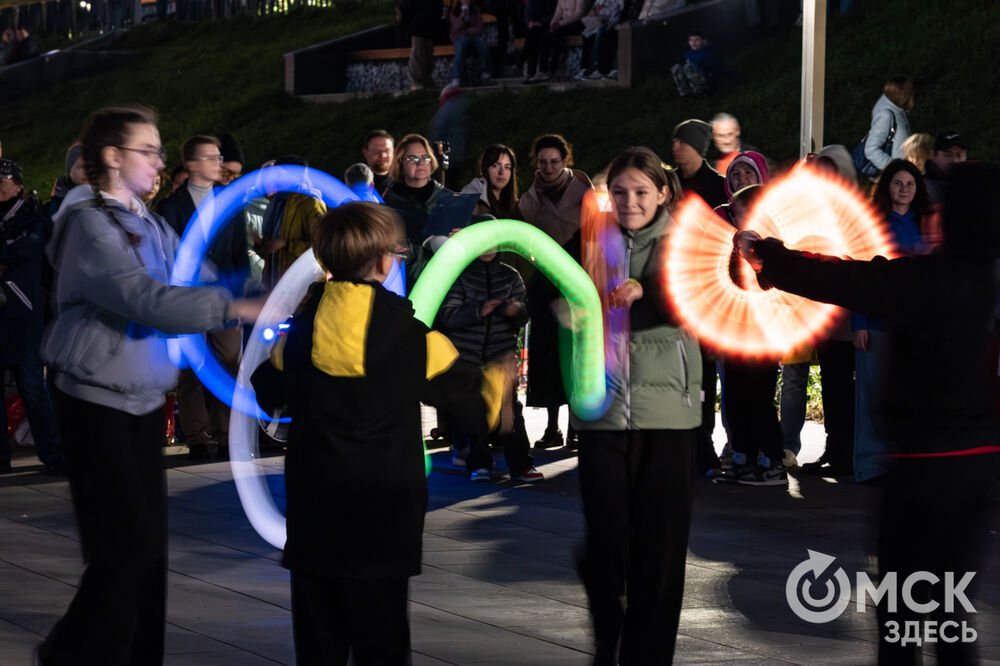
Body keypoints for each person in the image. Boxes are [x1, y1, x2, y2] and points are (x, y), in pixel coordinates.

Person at [734, 162, 1000, 665]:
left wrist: (770, 258)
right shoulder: (986, 277)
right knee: (952, 613)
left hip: (923, 466)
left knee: (901, 616)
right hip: (977, 466)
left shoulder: (927, 280)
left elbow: (848, 279)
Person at [34, 106, 261, 665]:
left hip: (141, 397)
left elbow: (191, 275)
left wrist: (265, 293)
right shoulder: (89, 223)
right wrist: (231, 304)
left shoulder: (151, 221)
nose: (163, 162)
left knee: (148, 552)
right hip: (95, 399)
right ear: (113, 157)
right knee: (123, 551)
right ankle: (67, 653)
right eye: (150, 150)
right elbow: (145, 299)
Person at [250, 201, 500, 665]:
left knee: (318, 642)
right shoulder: (410, 335)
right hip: (384, 516)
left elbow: (267, 389)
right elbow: (470, 401)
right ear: (384, 261)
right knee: (381, 642)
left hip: (315, 512)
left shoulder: (299, 333)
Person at [575, 147, 702, 665]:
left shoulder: (685, 243)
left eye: (641, 192)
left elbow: (685, 298)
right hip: (602, 412)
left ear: (663, 193)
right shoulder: (591, 239)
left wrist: (641, 293)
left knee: (660, 553)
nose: (629, 202)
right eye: (620, 192)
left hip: (668, 415)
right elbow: (549, 285)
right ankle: (609, 641)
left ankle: (648, 657)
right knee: (605, 546)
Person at [158, 134, 250, 460]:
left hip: (224, 298)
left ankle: (227, 436)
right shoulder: (170, 207)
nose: (219, 164)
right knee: (190, 369)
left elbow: (240, 253)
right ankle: (196, 436)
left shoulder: (230, 203)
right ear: (192, 163)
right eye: (211, 158)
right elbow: (167, 258)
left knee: (228, 365)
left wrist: (238, 294)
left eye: (219, 157)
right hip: (186, 301)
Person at [435, 230, 542, 482]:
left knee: (510, 414)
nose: (488, 247)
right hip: (467, 355)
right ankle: (479, 463)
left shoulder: (510, 275)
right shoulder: (458, 275)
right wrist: (478, 310)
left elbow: (525, 313)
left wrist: (515, 310)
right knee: (473, 412)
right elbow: (448, 315)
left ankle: (521, 464)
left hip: (501, 355)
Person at [851, 159, 930, 484]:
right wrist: (859, 322)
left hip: (912, 325)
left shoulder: (926, 224)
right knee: (870, 396)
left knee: (907, 397)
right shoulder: (873, 224)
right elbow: (859, 275)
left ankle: (901, 463)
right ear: (887, 187)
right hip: (877, 323)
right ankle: (870, 466)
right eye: (898, 183)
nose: (904, 189)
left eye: (909, 184)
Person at [785, 146, 858, 478]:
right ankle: (835, 448)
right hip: (822, 315)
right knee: (832, 383)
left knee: (845, 386)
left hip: (847, 316)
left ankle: (846, 451)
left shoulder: (856, 212)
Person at [518, 134, 592, 448]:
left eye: (555, 161)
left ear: (566, 161)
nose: (548, 167)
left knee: (578, 353)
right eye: (543, 162)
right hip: (545, 284)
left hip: (578, 281)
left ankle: (577, 425)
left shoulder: (585, 193)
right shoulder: (529, 199)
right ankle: (552, 427)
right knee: (547, 353)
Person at [0, 158, 64, 476]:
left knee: (31, 384)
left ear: (18, 184)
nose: (0, 183)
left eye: (5, 178)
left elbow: (21, 252)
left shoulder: (32, 218)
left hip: (23, 312)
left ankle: (52, 453)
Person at [671, 119, 726, 473]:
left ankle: (703, 439)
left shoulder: (716, 186)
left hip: (704, 282)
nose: (676, 147)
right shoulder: (667, 182)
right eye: (674, 141)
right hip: (672, 280)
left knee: (704, 368)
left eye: (683, 142)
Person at [257, 155, 328, 288]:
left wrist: (287, 245)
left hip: (302, 286)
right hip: (275, 284)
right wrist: (262, 246)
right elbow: (272, 249)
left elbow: (322, 247)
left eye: (279, 173)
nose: (274, 178)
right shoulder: (276, 203)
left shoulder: (311, 203)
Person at [862, 75, 913, 176]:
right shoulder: (886, 115)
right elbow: (871, 150)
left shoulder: (895, 108)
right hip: (891, 178)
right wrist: (894, 170)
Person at [460, 143, 519, 219]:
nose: (502, 172)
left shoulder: (515, 206)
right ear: (486, 168)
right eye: (495, 166)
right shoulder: (474, 194)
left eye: (507, 167)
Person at [670, 30, 733, 97]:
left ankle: (701, 92)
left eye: (697, 40)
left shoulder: (708, 52)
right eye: (691, 40)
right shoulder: (689, 53)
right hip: (697, 78)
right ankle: (685, 92)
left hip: (710, 79)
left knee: (689, 67)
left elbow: (714, 69)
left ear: (704, 41)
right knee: (676, 67)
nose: (693, 43)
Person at [399, 0, 444, 91]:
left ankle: (426, 80)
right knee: (418, 54)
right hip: (419, 27)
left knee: (427, 55)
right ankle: (417, 82)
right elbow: (406, 8)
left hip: (429, 27)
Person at [575, 0, 622, 80]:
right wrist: (595, 11)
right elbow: (591, 13)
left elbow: (619, 12)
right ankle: (585, 67)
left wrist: (610, 21)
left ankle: (596, 65)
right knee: (587, 33)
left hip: (612, 24)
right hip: (599, 22)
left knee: (600, 32)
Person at [448, 0, 490, 86]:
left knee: (482, 45)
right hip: (459, 35)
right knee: (460, 47)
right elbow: (455, 29)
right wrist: (461, 17)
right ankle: (456, 76)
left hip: (473, 35)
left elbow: (479, 24)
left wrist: (472, 31)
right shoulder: (455, 11)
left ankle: (483, 71)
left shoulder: (474, 10)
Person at [923, 130, 966, 205]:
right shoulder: (922, 187)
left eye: (959, 155)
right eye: (948, 155)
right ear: (933, 156)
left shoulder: (974, 183)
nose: (955, 160)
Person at [46, 143, 87, 217]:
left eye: (90, 166)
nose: (86, 171)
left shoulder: (103, 194)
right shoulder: (59, 201)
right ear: (70, 170)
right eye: (80, 167)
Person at [548, 0, 586, 77]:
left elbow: (579, 14)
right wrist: (553, 23)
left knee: (558, 33)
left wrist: (561, 23)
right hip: (563, 25)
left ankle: (554, 67)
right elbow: (557, 14)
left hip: (577, 24)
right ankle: (547, 67)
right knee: (549, 33)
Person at [522, 0, 556, 83]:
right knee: (534, 34)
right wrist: (530, 22)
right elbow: (527, 14)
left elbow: (554, 14)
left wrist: (541, 22)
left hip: (548, 25)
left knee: (536, 36)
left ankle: (529, 70)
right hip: (535, 27)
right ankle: (537, 71)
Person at [362, 129, 395, 194]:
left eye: (387, 150)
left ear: (393, 152)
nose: (382, 155)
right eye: (376, 151)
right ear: (365, 153)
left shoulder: (405, 183)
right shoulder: (352, 182)